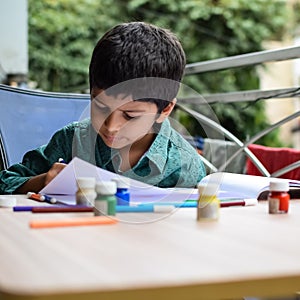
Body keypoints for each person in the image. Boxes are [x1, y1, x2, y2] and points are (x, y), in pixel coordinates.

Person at [0, 22, 206, 194]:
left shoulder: (185, 164)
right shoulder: (72, 140)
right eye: (99, 106)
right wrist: (44, 180)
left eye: (130, 115)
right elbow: (5, 182)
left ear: (165, 110)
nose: (112, 126)